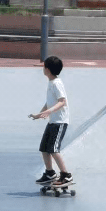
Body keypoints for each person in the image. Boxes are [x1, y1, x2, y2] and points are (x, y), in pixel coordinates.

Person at [31, 56, 73, 186]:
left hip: (60, 122)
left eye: (44, 67)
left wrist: (49, 112)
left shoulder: (56, 83)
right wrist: (40, 114)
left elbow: (62, 101)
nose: (43, 69)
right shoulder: (51, 82)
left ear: (48, 70)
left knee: (53, 149)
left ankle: (66, 175)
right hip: (53, 122)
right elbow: (49, 102)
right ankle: (50, 173)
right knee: (44, 148)